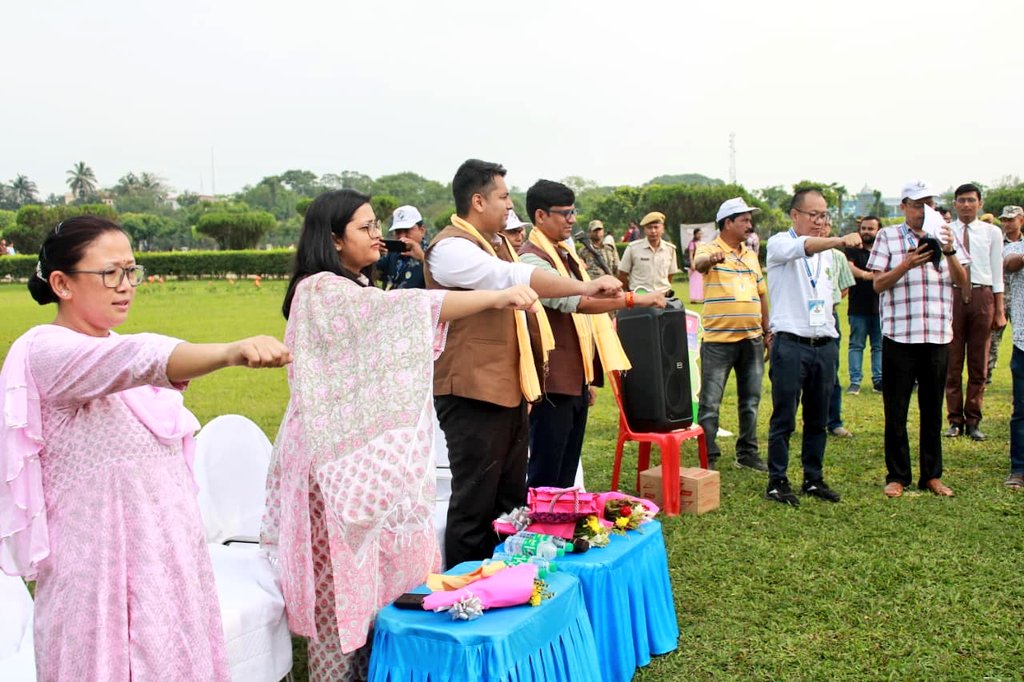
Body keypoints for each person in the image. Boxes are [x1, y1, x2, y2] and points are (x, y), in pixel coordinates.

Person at [262, 189, 540, 680]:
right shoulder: (321, 290)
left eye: (376, 225)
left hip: (354, 455)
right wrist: (495, 297)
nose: (378, 235)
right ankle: (335, 673)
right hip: (330, 459)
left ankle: (378, 666)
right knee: (338, 584)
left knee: (371, 575)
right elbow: (404, 313)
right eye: (366, 227)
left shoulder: (347, 286)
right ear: (333, 238)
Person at [0, 216, 292, 681]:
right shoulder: (49, 352)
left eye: (131, 271)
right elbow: (140, 358)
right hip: (100, 575)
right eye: (109, 273)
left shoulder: (108, 348)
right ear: (61, 283)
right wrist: (229, 351)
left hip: (165, 560)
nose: (126, 285)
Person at [424, 159, 621, 569]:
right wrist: (587, 286)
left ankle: (506, 582)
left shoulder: (495, 242)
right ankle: (469, 590)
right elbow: (514, 277)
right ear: (477, 201)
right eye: (503, 196)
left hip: (508, 389)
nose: (509, 205)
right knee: (475, 502)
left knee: (509, 498)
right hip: (472, 391)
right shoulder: (451, 248)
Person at [518, 180, 663, 488]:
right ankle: (541, 535)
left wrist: (585, 378)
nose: (572, 219)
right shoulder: (530, 259)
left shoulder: (564, 253)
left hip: (572, 380)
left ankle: (559, 531)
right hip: (551, 382)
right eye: (564, 213)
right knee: (545, 474)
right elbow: (578, 302)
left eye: (574, 211)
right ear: (540, 216)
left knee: (565, 471)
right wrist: (635, 299)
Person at [867, 180, 969, 498]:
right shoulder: (888, 236)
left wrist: (949, 250)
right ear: (903, 206)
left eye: (928, 204)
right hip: (900, 335)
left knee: (932, 408)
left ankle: (932, 475)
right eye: (915, 204)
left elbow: (964, 283)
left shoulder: (946, 234)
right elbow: (877, 284)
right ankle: (898, 475)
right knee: (896, 409)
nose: (923, 210)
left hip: (937, 335)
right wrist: (905, 265)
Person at [764, 188, 861, 506]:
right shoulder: (780, 244)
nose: (821, 221)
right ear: (795, 215)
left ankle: (813, 478)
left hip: (824, 343)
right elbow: (804, 247)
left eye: (824, 215)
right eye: (814, 215)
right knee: (784, 417)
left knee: (818, 416)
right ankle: (777, 480)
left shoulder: (826, 255)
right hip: (791, 344)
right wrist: (839, 240)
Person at [693, 197, 769, 472]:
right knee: (711, 403)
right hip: (718, 341)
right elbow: (699, 264)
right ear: (728, 223)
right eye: (744, 220)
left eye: (750, 220)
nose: (750, 225)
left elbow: (761, 293)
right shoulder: (709, 248)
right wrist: (710, 260)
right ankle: (708, 456)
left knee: (750, 401)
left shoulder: (750, 254)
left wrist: (767, 330)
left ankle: (747, 453)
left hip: (752, 339)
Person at [944, 183, 1005, 441]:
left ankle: (974, 420)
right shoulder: (945, 232)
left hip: (983, 295)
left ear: (980, 203)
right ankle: (954, 420)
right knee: (952, 362)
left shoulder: (992, 232)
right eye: (962, 200)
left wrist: (999, 309)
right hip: (953, 295)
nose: (966, 205)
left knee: (979, 363)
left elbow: (997, 272)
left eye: (971, 200)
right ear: (955, 204)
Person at [819, 215, 856, 438]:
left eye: (826, 225)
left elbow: (844, 287)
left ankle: (834, 421)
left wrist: (829, 301)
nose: (822, 228)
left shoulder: (837, 256)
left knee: (831, 372)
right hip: (801, 321)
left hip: (829, 317)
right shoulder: (799, 252)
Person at [845, 216, 884, 394]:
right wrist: (866, 275)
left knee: (879, 346)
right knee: (856, 345)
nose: (866, 232)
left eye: (871, 229)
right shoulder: (853, 249)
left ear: (878, 231)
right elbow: (848, 267)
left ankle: (879, 380)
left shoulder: (883, 250)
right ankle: (855, 382)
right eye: (864, 228)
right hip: (857, 307)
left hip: (881, 308)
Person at [987, 205, 1023, 384]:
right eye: (1004, 220)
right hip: (999, 297)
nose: (1007, 223)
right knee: (992, 340)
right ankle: (985, 377)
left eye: (1011, 219)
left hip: (1020, 300)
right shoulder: (996, 242)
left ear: (1021, 220)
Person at [1002, 231, 1024, 488]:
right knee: (1021, 410)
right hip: (1022, 344)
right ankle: (1018, 469)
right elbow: (1010, 264)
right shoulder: (1013, 248)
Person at [618, 211, 680, 294]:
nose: (653, 231)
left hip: (663, 297)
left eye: (656, 227)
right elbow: (623, 274)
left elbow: (670, 275)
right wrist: (628, 292)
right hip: (639, 296)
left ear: (662, 229)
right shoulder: (633, 248)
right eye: (649, 227)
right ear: (645, 230)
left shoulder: (670, 249)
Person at [376, 204, 428, 289]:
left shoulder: (433, 254)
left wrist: (422, 258)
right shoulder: (391, 253)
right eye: (398, 232)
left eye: (407, 230)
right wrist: (374, 254)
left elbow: (441, 281)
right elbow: (373, 273)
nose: (402, 237)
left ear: (421, 230)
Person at [688, 228, 705, 303]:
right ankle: (693, 298)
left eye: (701, 233)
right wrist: (692, 264)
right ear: (695, 234)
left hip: (700, 263)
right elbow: (691, 255)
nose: (700, 235)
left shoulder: (702, 243)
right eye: (698, 234)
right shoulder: (692, 243)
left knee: (701, 282)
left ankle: (702, 298)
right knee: (694, 282)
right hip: (694, 264)